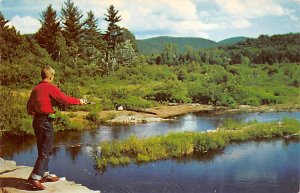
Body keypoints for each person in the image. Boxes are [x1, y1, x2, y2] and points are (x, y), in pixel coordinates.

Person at [26, 65, 87, 190]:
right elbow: (64, 99)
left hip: (37, 121)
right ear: (50, 77)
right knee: (46, 150)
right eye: (53, 77)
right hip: (44, 121)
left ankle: (44, 174)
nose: (53, 79)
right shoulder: (49, 87)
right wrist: (79, 101)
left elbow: (29, 106)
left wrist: (34, 111)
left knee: (43, 149)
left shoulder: (36, 88)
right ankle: (35, 177)